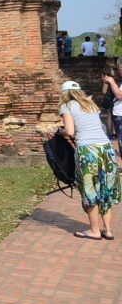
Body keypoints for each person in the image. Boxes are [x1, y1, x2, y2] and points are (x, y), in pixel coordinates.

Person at [59, 80, 120, 239]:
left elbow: (70, 131)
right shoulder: (90, 104)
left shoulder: (67, 106)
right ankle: (107, 230)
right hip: (106, 149)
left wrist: (61, 131)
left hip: (88, 151)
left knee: (90, 190)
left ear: (64, 94)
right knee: (106, 188)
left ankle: (94, 230)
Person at [104, 63, 122, 152]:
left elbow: (120, 96)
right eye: (119, 69)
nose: (120, 71)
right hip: (118, 113)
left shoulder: (114, 81)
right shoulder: (118, 81)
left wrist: (111, 82)